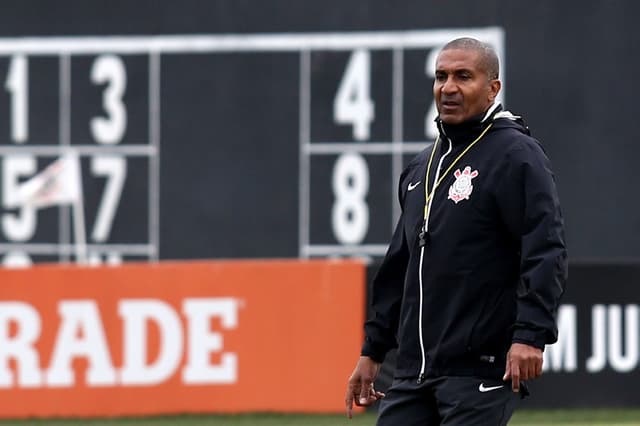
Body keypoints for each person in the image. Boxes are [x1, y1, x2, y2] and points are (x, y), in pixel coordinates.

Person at [344, 37, 568, 425]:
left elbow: (545, 250)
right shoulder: (421, 167)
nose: (448, 87)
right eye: (441, 76)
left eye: (463, 76)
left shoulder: (516, 155)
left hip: (479, 371)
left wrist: (530, 335)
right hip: (413, 372)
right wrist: (373, 350)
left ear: (492, 88)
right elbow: (399, 266)